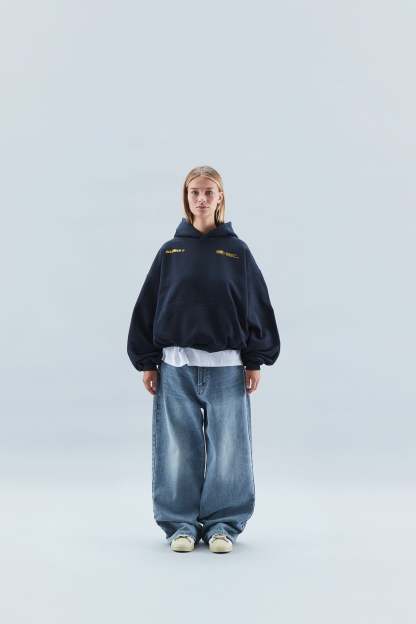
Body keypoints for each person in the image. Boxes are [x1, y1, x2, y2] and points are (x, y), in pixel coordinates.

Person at [127, 165, 280, 554]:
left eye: (208, 191)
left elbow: (256, 305)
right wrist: (147, 362)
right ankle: (179, 524)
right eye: (194, 191)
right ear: (186, 196)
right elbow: (148, 306)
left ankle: (222, 526)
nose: (201, 198)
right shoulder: (170, 252)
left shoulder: (237, 252)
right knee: (177, 448)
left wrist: (254, 361)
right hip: (175, 368)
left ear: (220, 197)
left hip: (227, 369)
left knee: (229, 449)